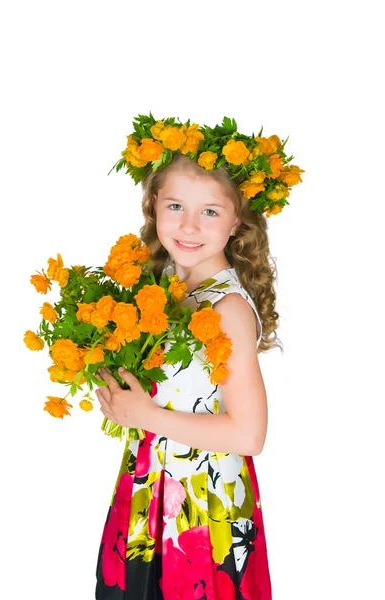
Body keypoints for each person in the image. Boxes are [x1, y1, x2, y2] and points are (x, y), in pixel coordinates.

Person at [94, 115, 304, 599]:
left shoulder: (226, 308)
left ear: (237, 220)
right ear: (153, 206)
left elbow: (249, 434)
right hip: (149, 488)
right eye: (175, 206)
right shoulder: (164, 281)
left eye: (210, 212)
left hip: (200, 510)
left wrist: (145, 414)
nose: (189, 225)